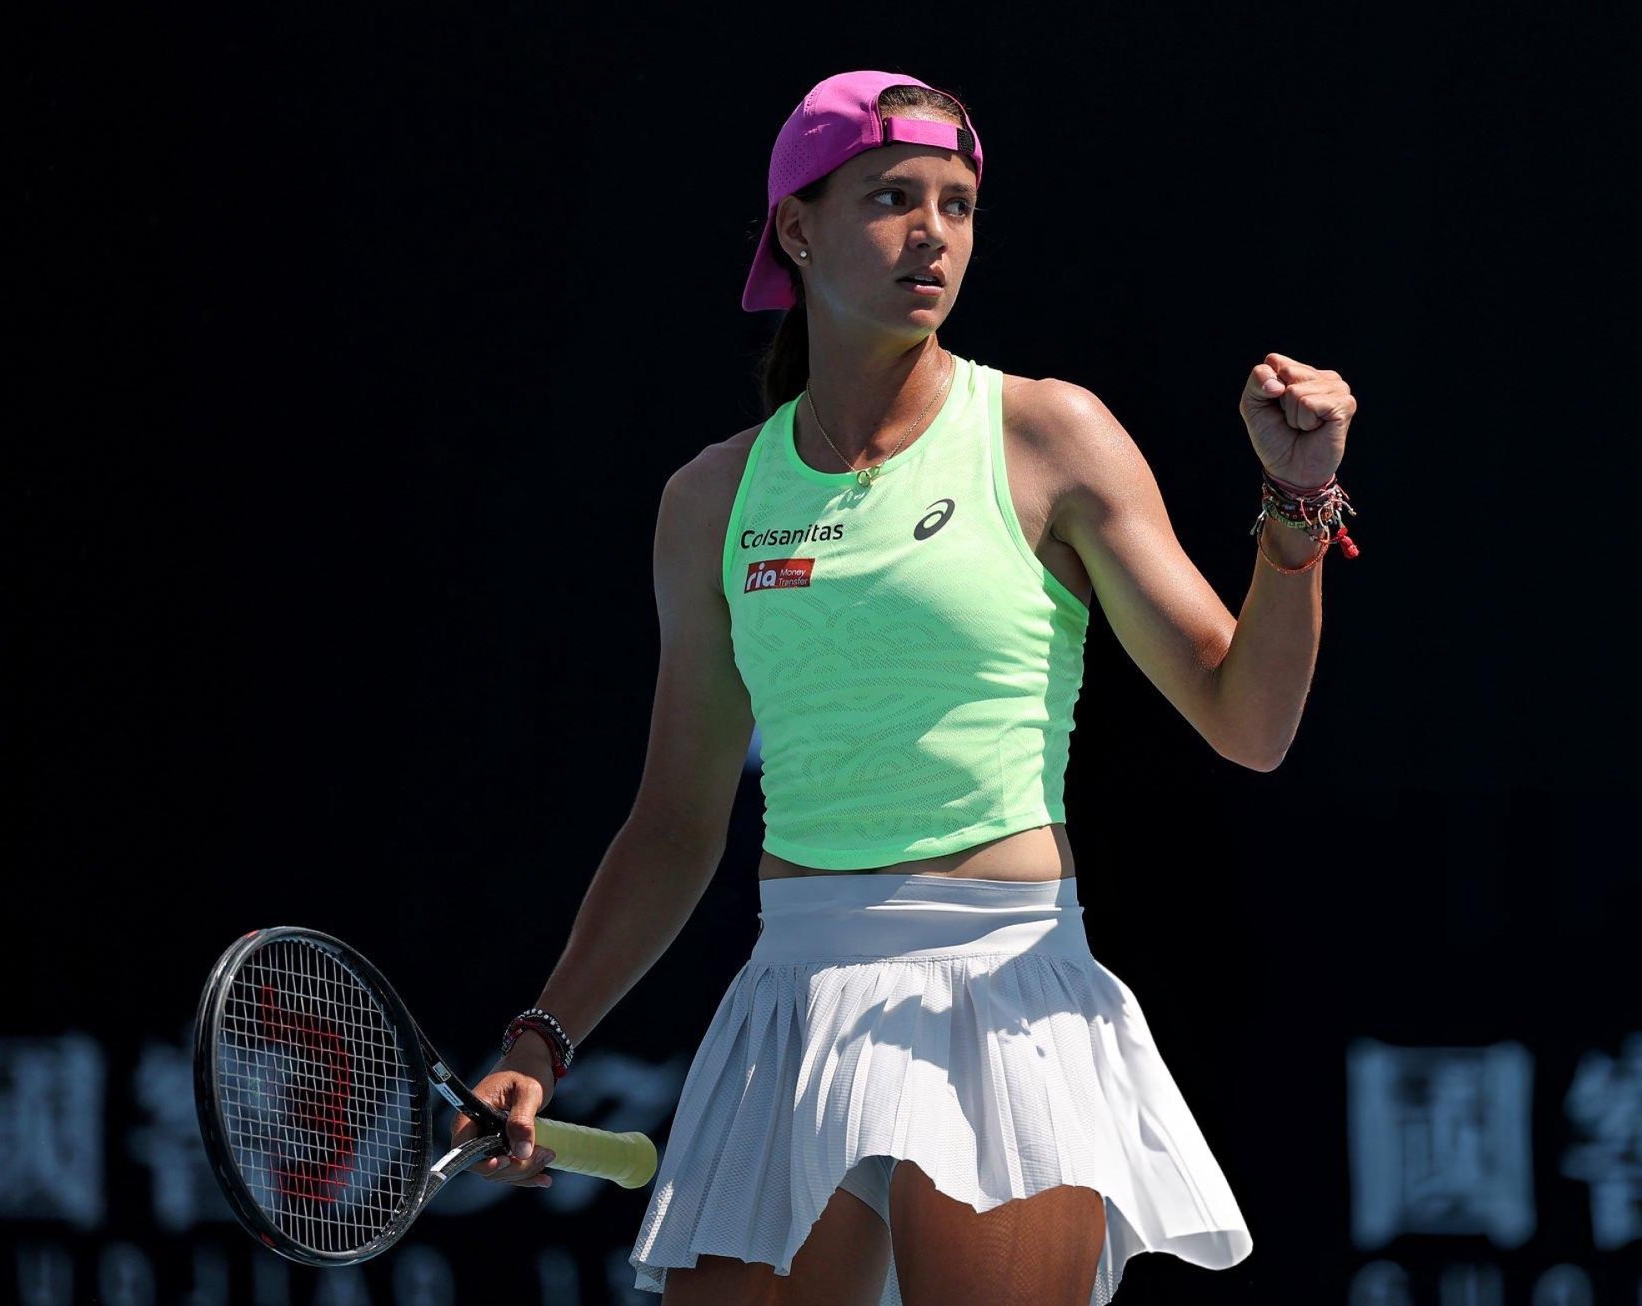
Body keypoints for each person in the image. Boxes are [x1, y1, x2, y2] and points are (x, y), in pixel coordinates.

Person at [455, 70, 1359, 1305]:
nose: (933, 233)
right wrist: (540, 1038)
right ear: (796, 226)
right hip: (792, 1000)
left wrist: (1296, 510)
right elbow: (673, 819)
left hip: (1002, 990)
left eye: (957, 204)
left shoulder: (1048, 435)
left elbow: (1246, 722)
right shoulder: (710, 501)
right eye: (891, 198)